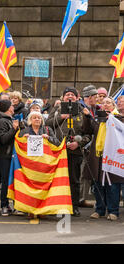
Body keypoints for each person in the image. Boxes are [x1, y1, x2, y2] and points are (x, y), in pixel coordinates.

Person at [46, 86, 91, 216]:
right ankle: (56, 205)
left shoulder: (83, 111)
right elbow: (47, 124)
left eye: (72, 94)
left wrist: (79, 143)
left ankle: (74, 206)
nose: (70, 96)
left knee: (74, 180)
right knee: (57, 179)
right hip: (58, 151)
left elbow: (88, 134)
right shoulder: (57, 109)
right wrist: (61, 117)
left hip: (75, 152)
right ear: (63, 97)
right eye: (67, 94)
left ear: (77, 98)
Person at [82, 97, 124, 221]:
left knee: (113, 185)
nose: (105, 105)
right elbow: (88, 130)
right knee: (98, 184)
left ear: (113, 105)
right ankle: (99, 209)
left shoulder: (119, 118)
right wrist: (87, 117)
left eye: (108, 103)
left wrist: (111, 119)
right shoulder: (98, 119)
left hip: (112, 156)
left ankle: (113, 211)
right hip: (98, 156)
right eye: (103, 103)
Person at [19, 110, 60, 218]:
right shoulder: (24, 131)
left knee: (43, 187)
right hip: (29, 164)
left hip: (44, 164)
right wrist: (23, 139)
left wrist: (49, 138)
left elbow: (57, 143)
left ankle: (42, 210)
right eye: (34, 118)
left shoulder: (47, 129)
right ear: (30, 120)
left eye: (39, 117)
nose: (37, 119)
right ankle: (30, 210)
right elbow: (18, 144)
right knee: (30, 187)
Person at [0, 99, 20, 216]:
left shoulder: (10, 120)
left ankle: (16, 205)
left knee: (15, 180)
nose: (13, 107)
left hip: (13, 155)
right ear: (7, 108)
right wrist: (14, 129)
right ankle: (4, 205)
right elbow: (4, 139)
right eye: (11, 106)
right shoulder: (2, 121)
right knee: (6, 181)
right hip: (5, 155)